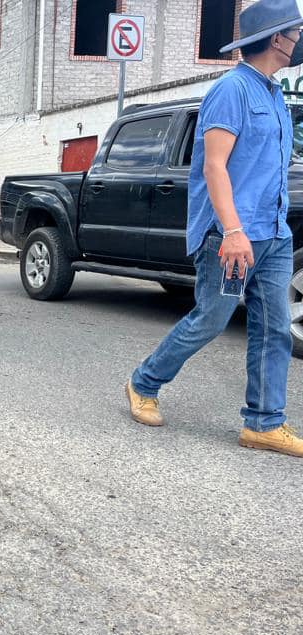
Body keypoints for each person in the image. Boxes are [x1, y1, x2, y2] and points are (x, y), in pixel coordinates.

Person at [126, 0, 303, 457]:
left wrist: (270, 226)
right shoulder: (231, 90)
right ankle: (143, 382)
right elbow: (215, 167)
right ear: (277, 38)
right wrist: (232, 231)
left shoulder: (273, 95)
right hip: (232, 237)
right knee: (211, 319)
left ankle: (264, 422)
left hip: (273, 234)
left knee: (274, 327)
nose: (300, 37)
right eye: (295, 30)